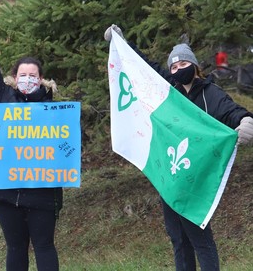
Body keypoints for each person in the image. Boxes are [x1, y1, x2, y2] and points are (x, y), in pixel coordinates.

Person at [104, 24, 253, 271]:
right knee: (178, 239)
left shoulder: (211, 94)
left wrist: (246, 121)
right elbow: (144, 68)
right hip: (171, 179)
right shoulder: (167, 91)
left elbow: (233, 111)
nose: (177, 69)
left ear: (195, 67)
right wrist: (123, 43)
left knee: (200, 240)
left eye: (183, 64)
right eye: (173, 66)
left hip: (197, 179)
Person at [0, 27, 62, 271]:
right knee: (15, 247)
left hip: (43, 191)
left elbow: (67, 146)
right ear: (14, 76)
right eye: (23, 74)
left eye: (33, 75)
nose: (28, 78)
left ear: (41, 79)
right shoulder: (2, 98)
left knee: (44, 246)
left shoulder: (54, 111)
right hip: (6, 190)